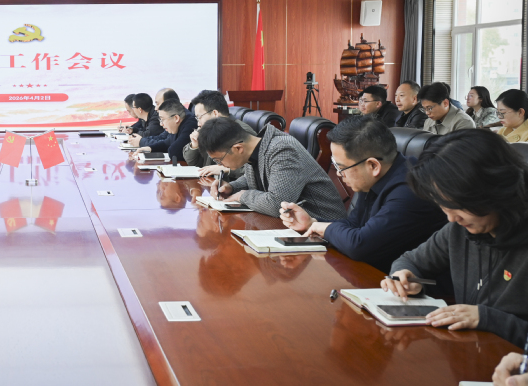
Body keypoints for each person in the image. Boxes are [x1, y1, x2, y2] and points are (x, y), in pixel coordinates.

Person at [383, 129, 528, 345]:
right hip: (467, 350)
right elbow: (411, 260)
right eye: (443, 206)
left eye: (456, 206)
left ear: (493, 190)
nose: (451, 218)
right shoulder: (460, 230)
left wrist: (489, 319)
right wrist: (404, 275)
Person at [280, 116, 446, 273]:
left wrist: (326, 229)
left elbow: (360, 246)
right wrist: (312, 223)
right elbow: (355, 225)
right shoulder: (376, 179)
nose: (338, 174)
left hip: (414, 286)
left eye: (341, 167)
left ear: (373, 166)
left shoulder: (410, 190)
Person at [199, 116, 346, 220]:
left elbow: (277, 204)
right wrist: (231, 187)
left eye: (219, 160)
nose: (220, 165)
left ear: (238, 148)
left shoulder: (283, 149)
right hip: (293, 224)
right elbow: (258, 178)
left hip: (324, 226)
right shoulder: (255, 148)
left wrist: (242, 196)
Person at [183, 90, 254, 180]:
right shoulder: (210, 130)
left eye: (200, 117)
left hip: (233, 186)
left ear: (215, 114)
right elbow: (192, 163)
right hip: (211, 183)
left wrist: (226, 169)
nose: (198, 124)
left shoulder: (241, 132)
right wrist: (195, 145)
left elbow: (255, 169)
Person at [131, 99, 197, 163]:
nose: (161, 124)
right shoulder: (176, 125)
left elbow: (175, 153)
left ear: (176, 118)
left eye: (162, 119)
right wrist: (150, 148)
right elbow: (167, 143)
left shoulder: (191, 124)